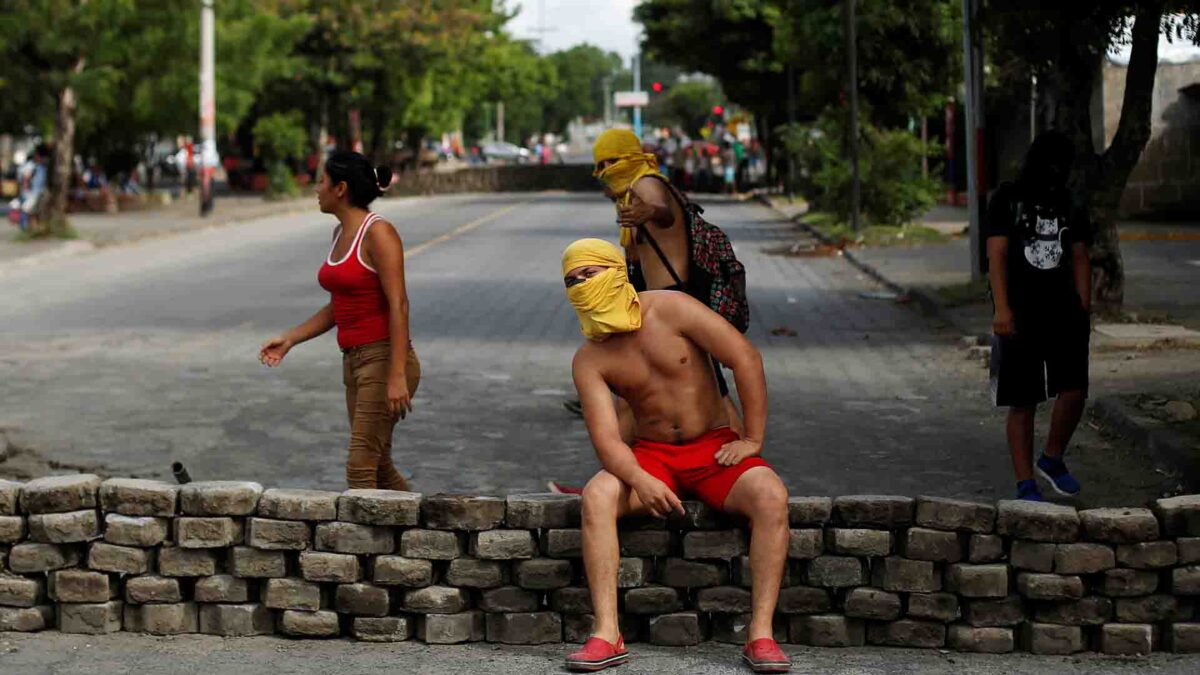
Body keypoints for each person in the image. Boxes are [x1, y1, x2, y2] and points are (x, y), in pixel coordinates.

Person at [560, 239, 790, 674]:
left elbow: (745, 358)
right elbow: (608, 441)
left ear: (616, 271)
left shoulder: (672, 308)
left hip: (714, 447)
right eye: (572, 281)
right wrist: (641, 479)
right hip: (651, 456)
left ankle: (761, 633)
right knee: (597, 495)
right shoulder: (589, 358)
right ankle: (607, 632)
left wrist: (753, 439)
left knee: (771, 495)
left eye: (590, 274)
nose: (581, 285)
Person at [259, 151, 420, 490]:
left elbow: (399, 305)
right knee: (378, 467)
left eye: (322, 180)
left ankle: (366, 544)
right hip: (354, 363)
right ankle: (428, 536)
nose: (316, 188)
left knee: (360, 468)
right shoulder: (338, 234)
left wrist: (396, 375)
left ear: (340, 188)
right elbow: (339, 307)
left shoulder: (378, 233)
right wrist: (291, 339)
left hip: (383, 359)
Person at [986, 130, 1091, 502]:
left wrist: (1084, 308)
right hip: (1019, 312)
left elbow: (1079, 256)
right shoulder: (1007, 200)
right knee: (1024, 398)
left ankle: (1052, 457)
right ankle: (1025, 482)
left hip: (1065, 311)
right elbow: (996, 256)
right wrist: (1002, 309)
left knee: (1075, 389)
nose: (1056, 171)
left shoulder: (1071, 202)